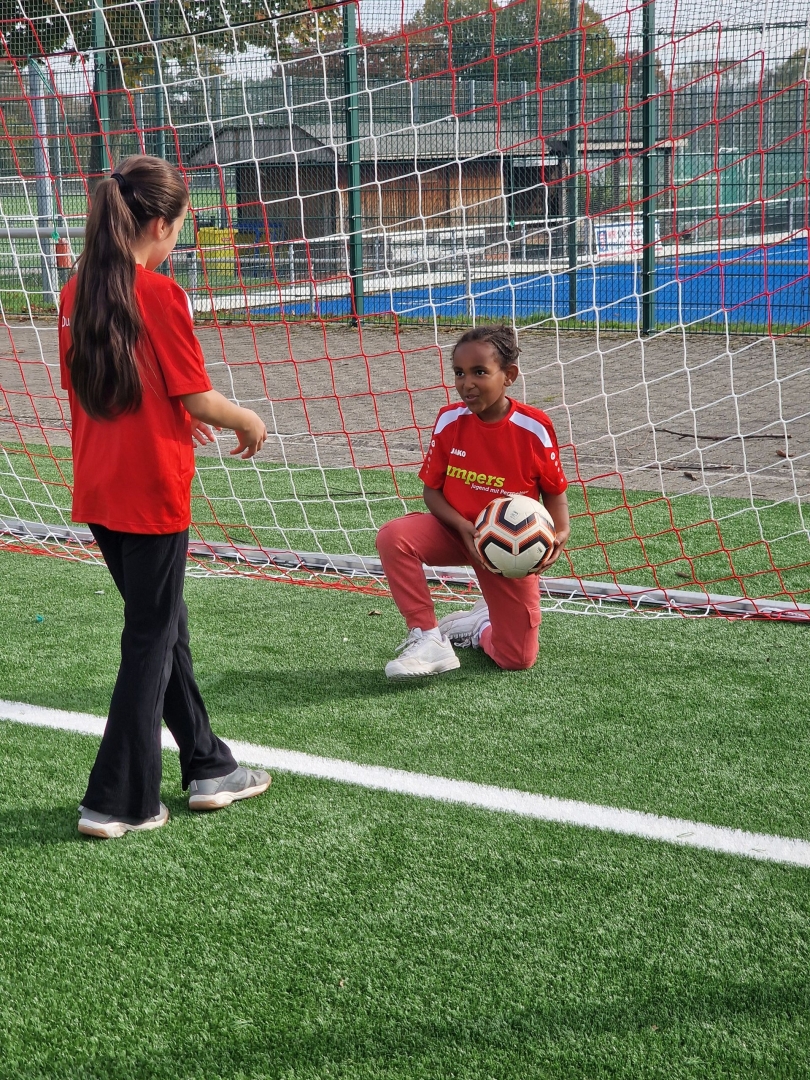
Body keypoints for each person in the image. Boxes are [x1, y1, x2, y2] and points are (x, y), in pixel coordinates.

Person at [59, 154, 271, 838]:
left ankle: (209, 765)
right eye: (181, 226)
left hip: (99, 486)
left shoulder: (75, 289)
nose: (178, 237)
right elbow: (197, 395)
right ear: (159, 224)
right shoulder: (160, 293)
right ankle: (117, 800)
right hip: (151, 491)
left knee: (164, 624)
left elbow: (104, 389)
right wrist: (244, 419)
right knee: (150, 636)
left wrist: (175, 412)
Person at [376, 324, 570, 678]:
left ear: (509, 375)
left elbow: (554, 491)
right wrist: (463, 526)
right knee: (394, 537)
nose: (467, 383)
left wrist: (560, 532)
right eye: (459, 373)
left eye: (480, 372)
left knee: (517, 659)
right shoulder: (449, 420)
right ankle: (428, 637)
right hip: (455, 531)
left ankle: (480, 626)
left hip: (509, 550)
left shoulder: (534, 428)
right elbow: (431, 492)